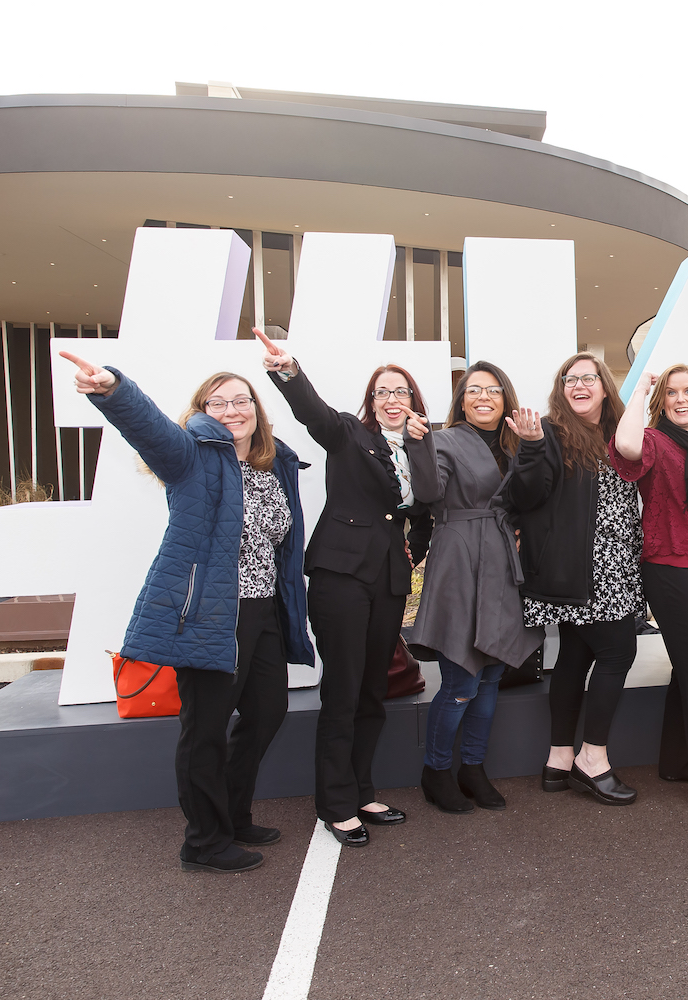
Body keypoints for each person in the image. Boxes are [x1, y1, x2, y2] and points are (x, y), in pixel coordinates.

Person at [60, 350, 312, 874]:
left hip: (263, 610)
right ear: (201, 410)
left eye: (241, 400)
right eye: (217, 402)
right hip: (211, 613)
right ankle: (203, 840)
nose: (230, 410)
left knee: (268, 713)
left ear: (256, 411)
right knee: (205, 728)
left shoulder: (275, 463)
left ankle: (234, 815)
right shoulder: (191, 456)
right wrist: (113, 390)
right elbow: (150, 429)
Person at [256, 329, 431, 846]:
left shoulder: (422, 448)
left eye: (401, 392)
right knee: (344, 689)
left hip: (388, 581)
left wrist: (413, 549)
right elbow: (313, 412)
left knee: (373, 690)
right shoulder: (350, 434)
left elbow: (427, 507)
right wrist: (289, 370)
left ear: (415, 402)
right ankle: (335, 803)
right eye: (383, 392)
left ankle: (361, 789)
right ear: (371, 402)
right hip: (341, 575)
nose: (392, 399)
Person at [407, 361, 545, 814]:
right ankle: (436, 769)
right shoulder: (442, 439)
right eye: (473, 390)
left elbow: (529, 499)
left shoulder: (514, 442)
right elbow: (428, 491)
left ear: (505, 397)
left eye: (492, 390)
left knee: (490, 675)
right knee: (462, 679)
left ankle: (472, 767)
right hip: (459, 558)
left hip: (503, 562)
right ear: (461, 400)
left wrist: (531, 446)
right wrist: (417, 442)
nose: (482, 397)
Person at [506, 352, 643, 806]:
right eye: (570, 379)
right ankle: (594, 758)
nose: (578, 385)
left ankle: (559, 758)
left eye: (588, 378)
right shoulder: (548, 432)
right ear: (560, 389)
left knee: (575, 655)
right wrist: (528, 446)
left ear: (605, 385)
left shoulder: (618, 430)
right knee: (618, 651)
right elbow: (524, 496)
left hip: (615, 562)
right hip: (584, 566)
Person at [611, 364, 688, 815]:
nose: (680, 400)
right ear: (662, 401)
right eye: (671, 393)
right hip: (671, 567)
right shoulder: (653, 442)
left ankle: (675, 761)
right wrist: (642, 387)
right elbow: (624, 444)